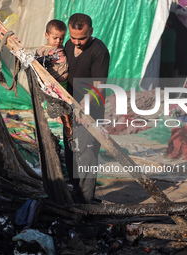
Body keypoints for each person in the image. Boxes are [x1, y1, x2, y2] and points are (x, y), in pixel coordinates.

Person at [64, 13, 110, 203]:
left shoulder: (99, 51)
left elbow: (99, 84)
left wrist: (85, 103)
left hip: (90, 110)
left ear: (91, 31)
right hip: (70, 107)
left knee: (86, 153)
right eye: (73, 37)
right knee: (70, 151)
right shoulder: (68, 45)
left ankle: (85, 200)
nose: (77, 42)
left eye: (81, 38)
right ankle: (76, 193)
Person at [35, 19, 72, 139]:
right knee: (60, 105)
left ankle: (65, 123)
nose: (58, 41)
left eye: (61, 38)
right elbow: (36, 65)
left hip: (65, 83)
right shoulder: (43, 50)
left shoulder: (62, 47)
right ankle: (67, 127)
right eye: (55, 38)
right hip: (54, 84)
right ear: (46, 35)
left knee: (66, 106)